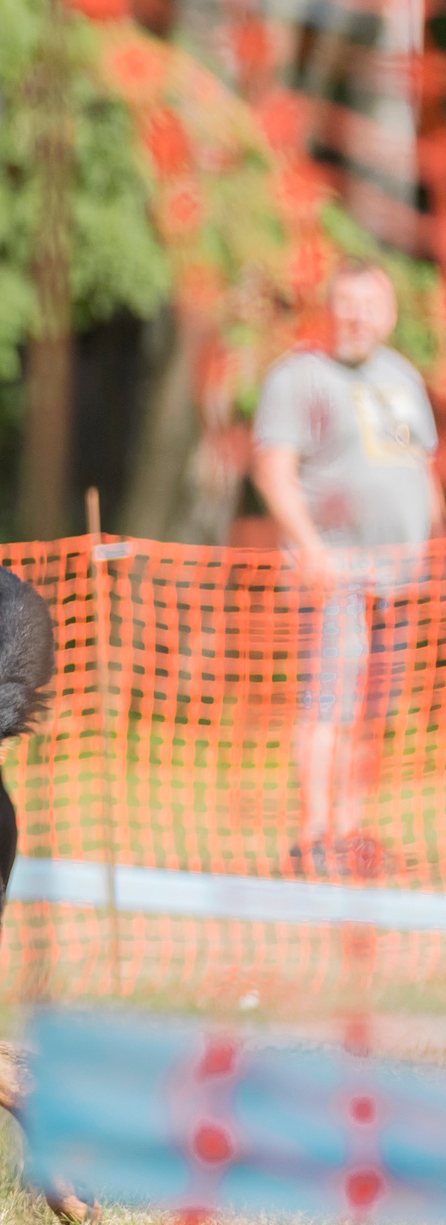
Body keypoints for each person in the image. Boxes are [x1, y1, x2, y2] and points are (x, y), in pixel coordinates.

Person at [251, 259, 442, 877]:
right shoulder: (299, 377)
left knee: (375, 712)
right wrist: (312, 549)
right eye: (346, 302)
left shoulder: (404, 376)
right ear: (329, 307)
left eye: (370, 304)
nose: (357, 314)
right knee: (329, 706)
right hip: (337, 575)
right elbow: (273, 470)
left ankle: (351, 830)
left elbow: (421, 472)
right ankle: (313, 838)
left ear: (388, 313)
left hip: (403, 578)